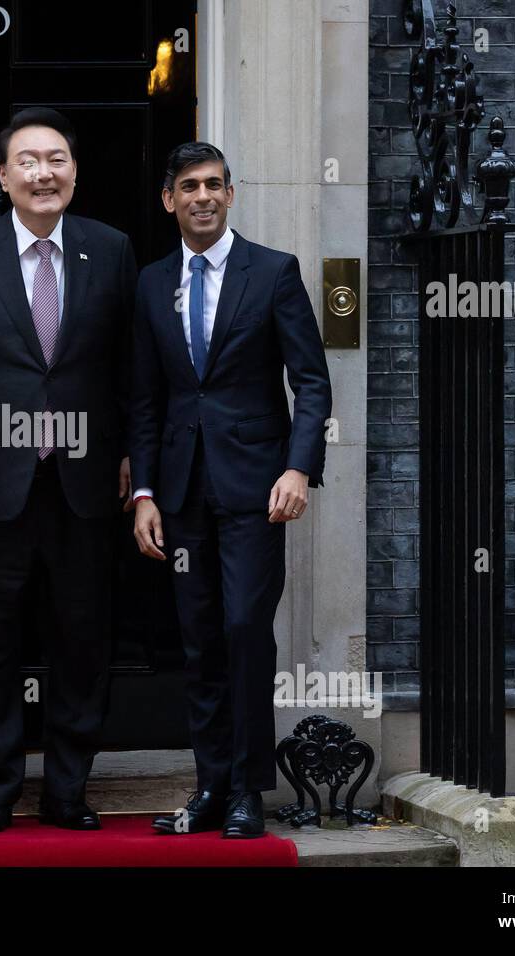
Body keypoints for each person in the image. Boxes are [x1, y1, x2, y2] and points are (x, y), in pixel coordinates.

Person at [0, 108, 137, 832]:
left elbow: (133, 367)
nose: (45, 173)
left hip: (85, 481)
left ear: (75, 170)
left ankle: (69, 790)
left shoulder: (111, 249)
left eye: (58, 159)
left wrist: (137, 454)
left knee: (81, 642)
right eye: (30, 161)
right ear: (4, 176)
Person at [129, 142, 332, 838]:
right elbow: (146, 399)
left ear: (231, 194)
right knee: (199, 642)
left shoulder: (273, 272)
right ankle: (211, 784)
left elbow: (310, 381)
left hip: (256, 491)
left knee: (246, 630)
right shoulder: (153, 283)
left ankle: (249, 787)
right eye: (189, 186)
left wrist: (299, 468)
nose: (204, 197)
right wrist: (145, 492)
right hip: (182, 494)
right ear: (170, 199)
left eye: (215, 184)